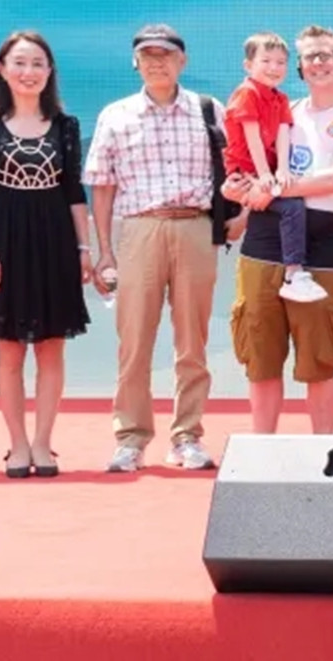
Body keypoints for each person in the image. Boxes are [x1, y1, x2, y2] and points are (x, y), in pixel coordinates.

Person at [85, 24, 227, 473]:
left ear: (182, 61)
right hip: (139, 229)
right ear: (136, 62)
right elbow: (102, 186)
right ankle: (130, 438)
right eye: (147, 55)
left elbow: (233, 168)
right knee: (134, 342)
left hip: (194, 226)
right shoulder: (116, 115)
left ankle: (187, 437)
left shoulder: (208, 110)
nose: (156, 63)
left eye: (165, 55)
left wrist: (236, 218)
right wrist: (105, 250)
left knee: (192, 342)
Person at [230, 27, 333, 437]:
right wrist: (238, 187)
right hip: (263, 243)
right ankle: (262, 449)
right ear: (299, 66)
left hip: (323, 248)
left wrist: (273, 188)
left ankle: (321, 450)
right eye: (310, 56)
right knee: (260, 356)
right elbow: (248, 165)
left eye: (327, 54)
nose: (319, 63)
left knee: (320, 360)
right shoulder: (283, 110)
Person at [0, 31, 91, 479]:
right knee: (10, 352)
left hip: (54, 241)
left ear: (49, 71)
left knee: (51, 350)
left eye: (38, 63)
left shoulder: (65, 126)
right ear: (2, 69)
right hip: (5, 243)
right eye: (19, 62)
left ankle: (42, 443)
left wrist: (84, 248)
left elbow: (74, 192)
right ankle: (17, 444)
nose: (29, 71)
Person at [225, 33, 322, 303]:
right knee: (292, 207)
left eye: (280, 62)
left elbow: (282, 136)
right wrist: (264, 175)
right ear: (248, 65)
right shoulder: (247, 93)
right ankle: (294, 272)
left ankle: (292, 271)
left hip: (265, 173)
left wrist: (282, 170)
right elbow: (252, 137)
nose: (273, 68)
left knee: (293, 202)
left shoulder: (280, 98)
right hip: (244, 173)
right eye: (266, 61)